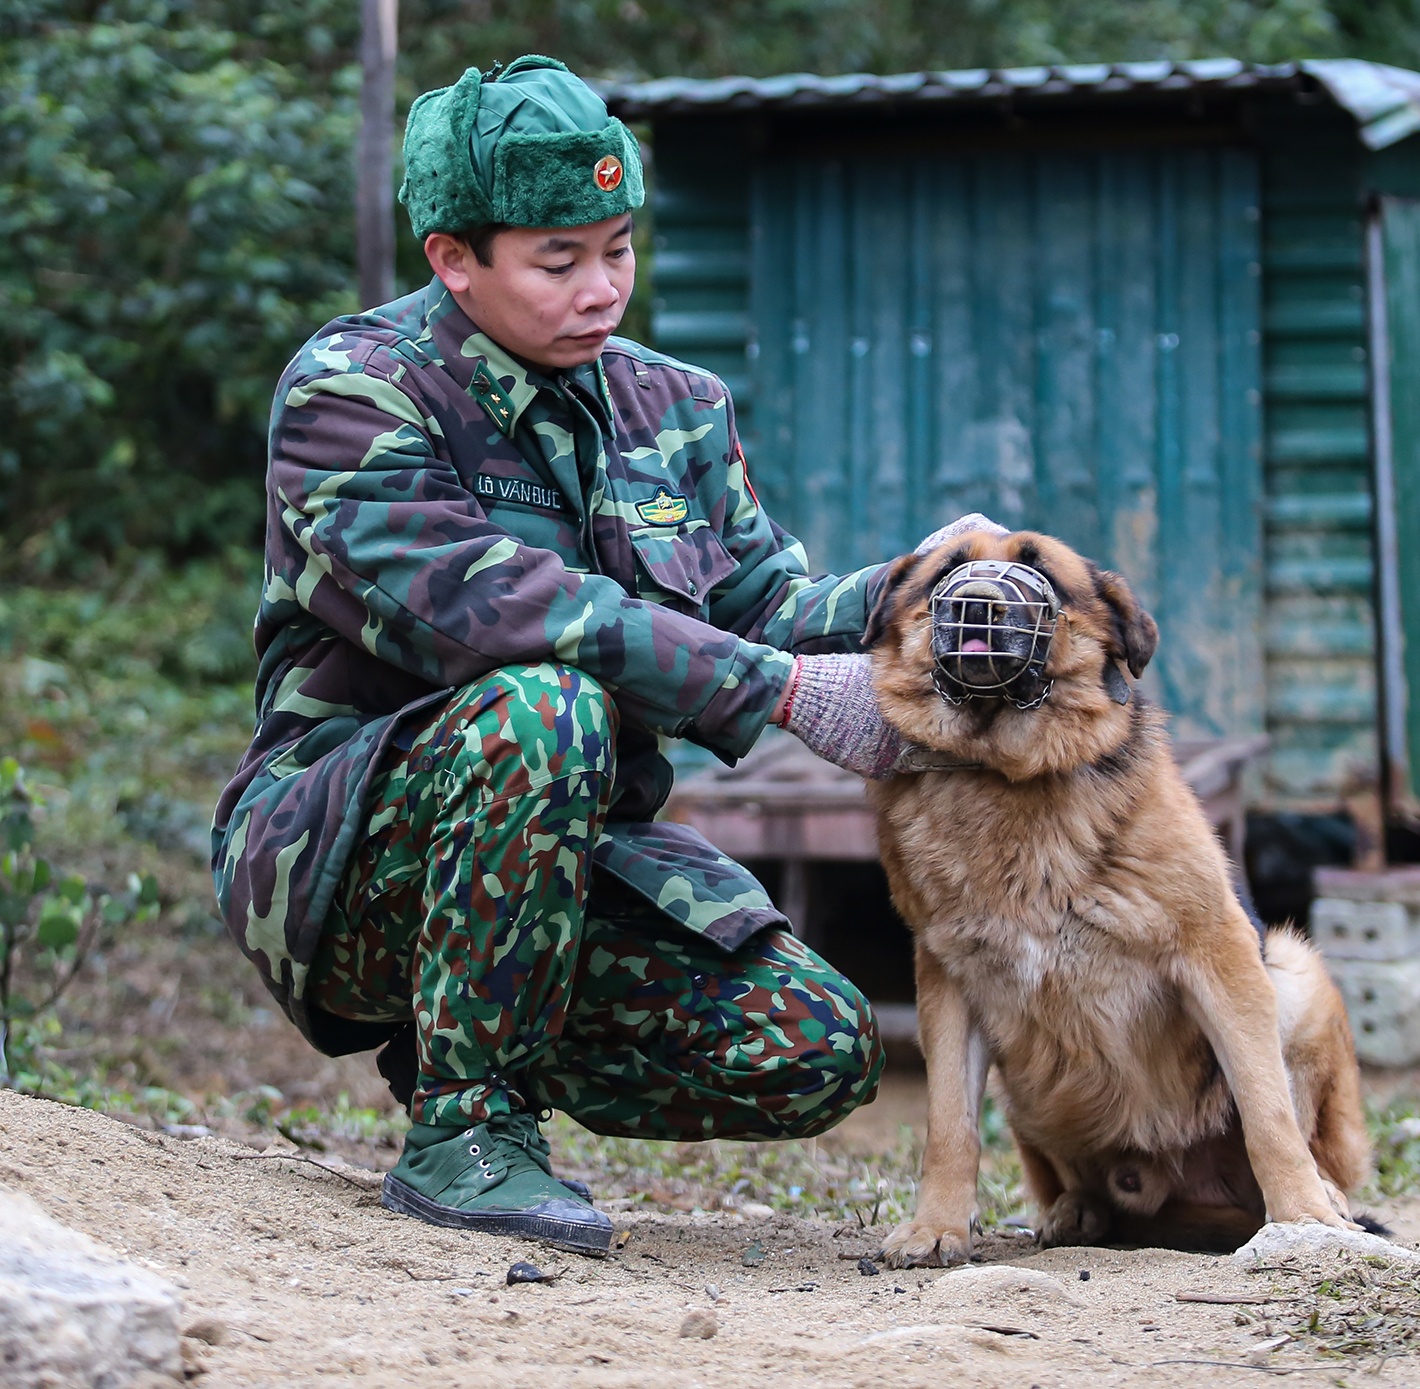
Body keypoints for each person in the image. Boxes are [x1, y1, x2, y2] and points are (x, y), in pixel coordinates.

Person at [210, 55, 999, 1253]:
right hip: (343, 850)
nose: (602, 288)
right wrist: (781, 693)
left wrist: (912, 589)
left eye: (619, 248)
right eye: (558, 260)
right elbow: (508, 610)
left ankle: (464, 1032)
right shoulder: (356, 393)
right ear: (453, 259)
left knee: (817, 1047)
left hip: (568, 854)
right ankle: (467, 1130)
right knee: (548, 704)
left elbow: (757, 596)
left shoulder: (673, 406)